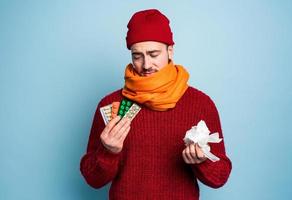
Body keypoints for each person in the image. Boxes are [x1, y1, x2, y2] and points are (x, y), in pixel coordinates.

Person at [80, 9, 232, 200]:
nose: (146, 65)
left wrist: (202, 161)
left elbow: (220, 177)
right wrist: (108, 152)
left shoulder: (201, 103)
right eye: (137, 56)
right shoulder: (112, 104)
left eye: (153, 54)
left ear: (170, 51)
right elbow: (92, 179)